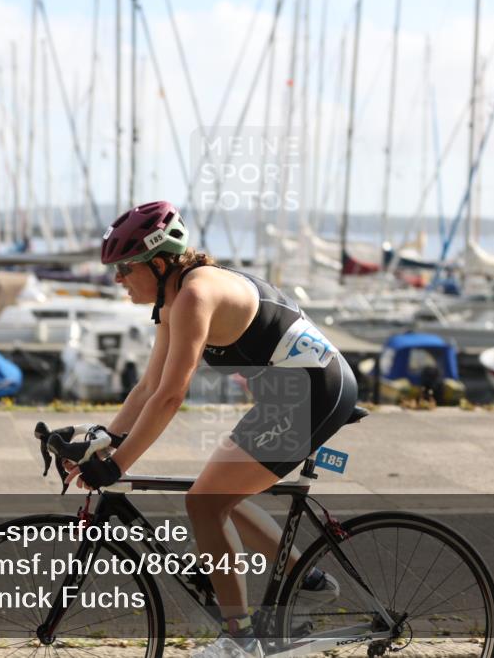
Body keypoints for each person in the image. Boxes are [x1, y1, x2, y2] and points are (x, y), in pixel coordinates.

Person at [64, 201, 359, 658]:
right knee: (215, 493)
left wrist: (119, 464)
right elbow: (147, 387)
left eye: (124, 267)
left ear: (159, 263)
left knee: (204, 501)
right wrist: (102, 442)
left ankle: (240, 641)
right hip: (288, 396)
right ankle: (308, 579)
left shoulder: (195, 296)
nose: (117, 279)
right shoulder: (174, 299)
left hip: (313, 393)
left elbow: (170, 396)